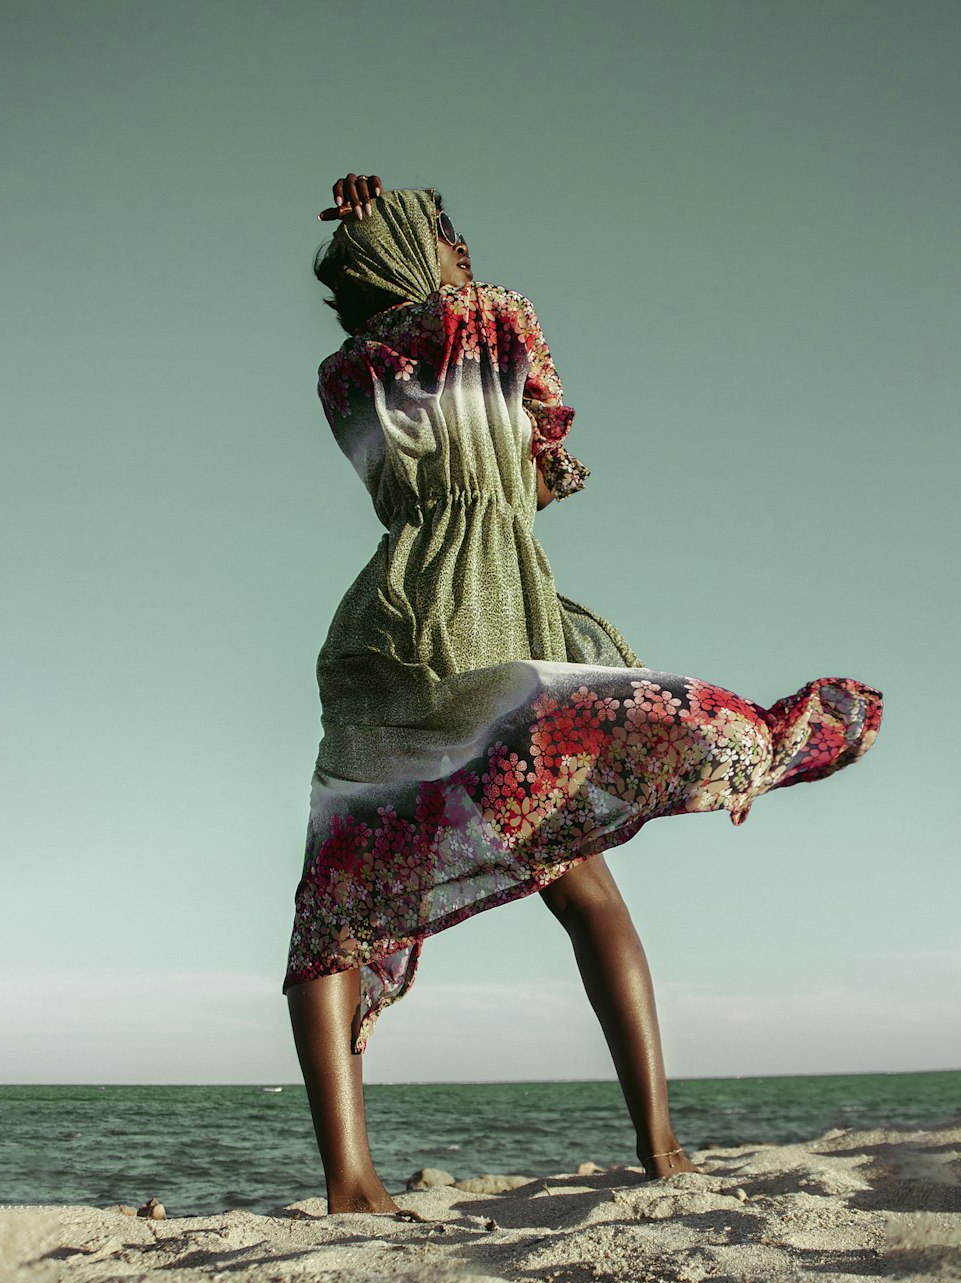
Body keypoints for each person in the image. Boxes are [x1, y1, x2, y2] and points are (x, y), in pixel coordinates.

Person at [285, 173, 882, 1215]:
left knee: (336, 902)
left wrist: (381, 235)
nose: (464, 253)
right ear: (423, 252)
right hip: (491, 610)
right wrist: (413, 233)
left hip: (385, 628)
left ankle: (350, 1180)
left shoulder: (344, 376)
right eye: (447, 237)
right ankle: (658, 1143)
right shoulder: (488, 319)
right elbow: (546, 463)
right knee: (588, 890)